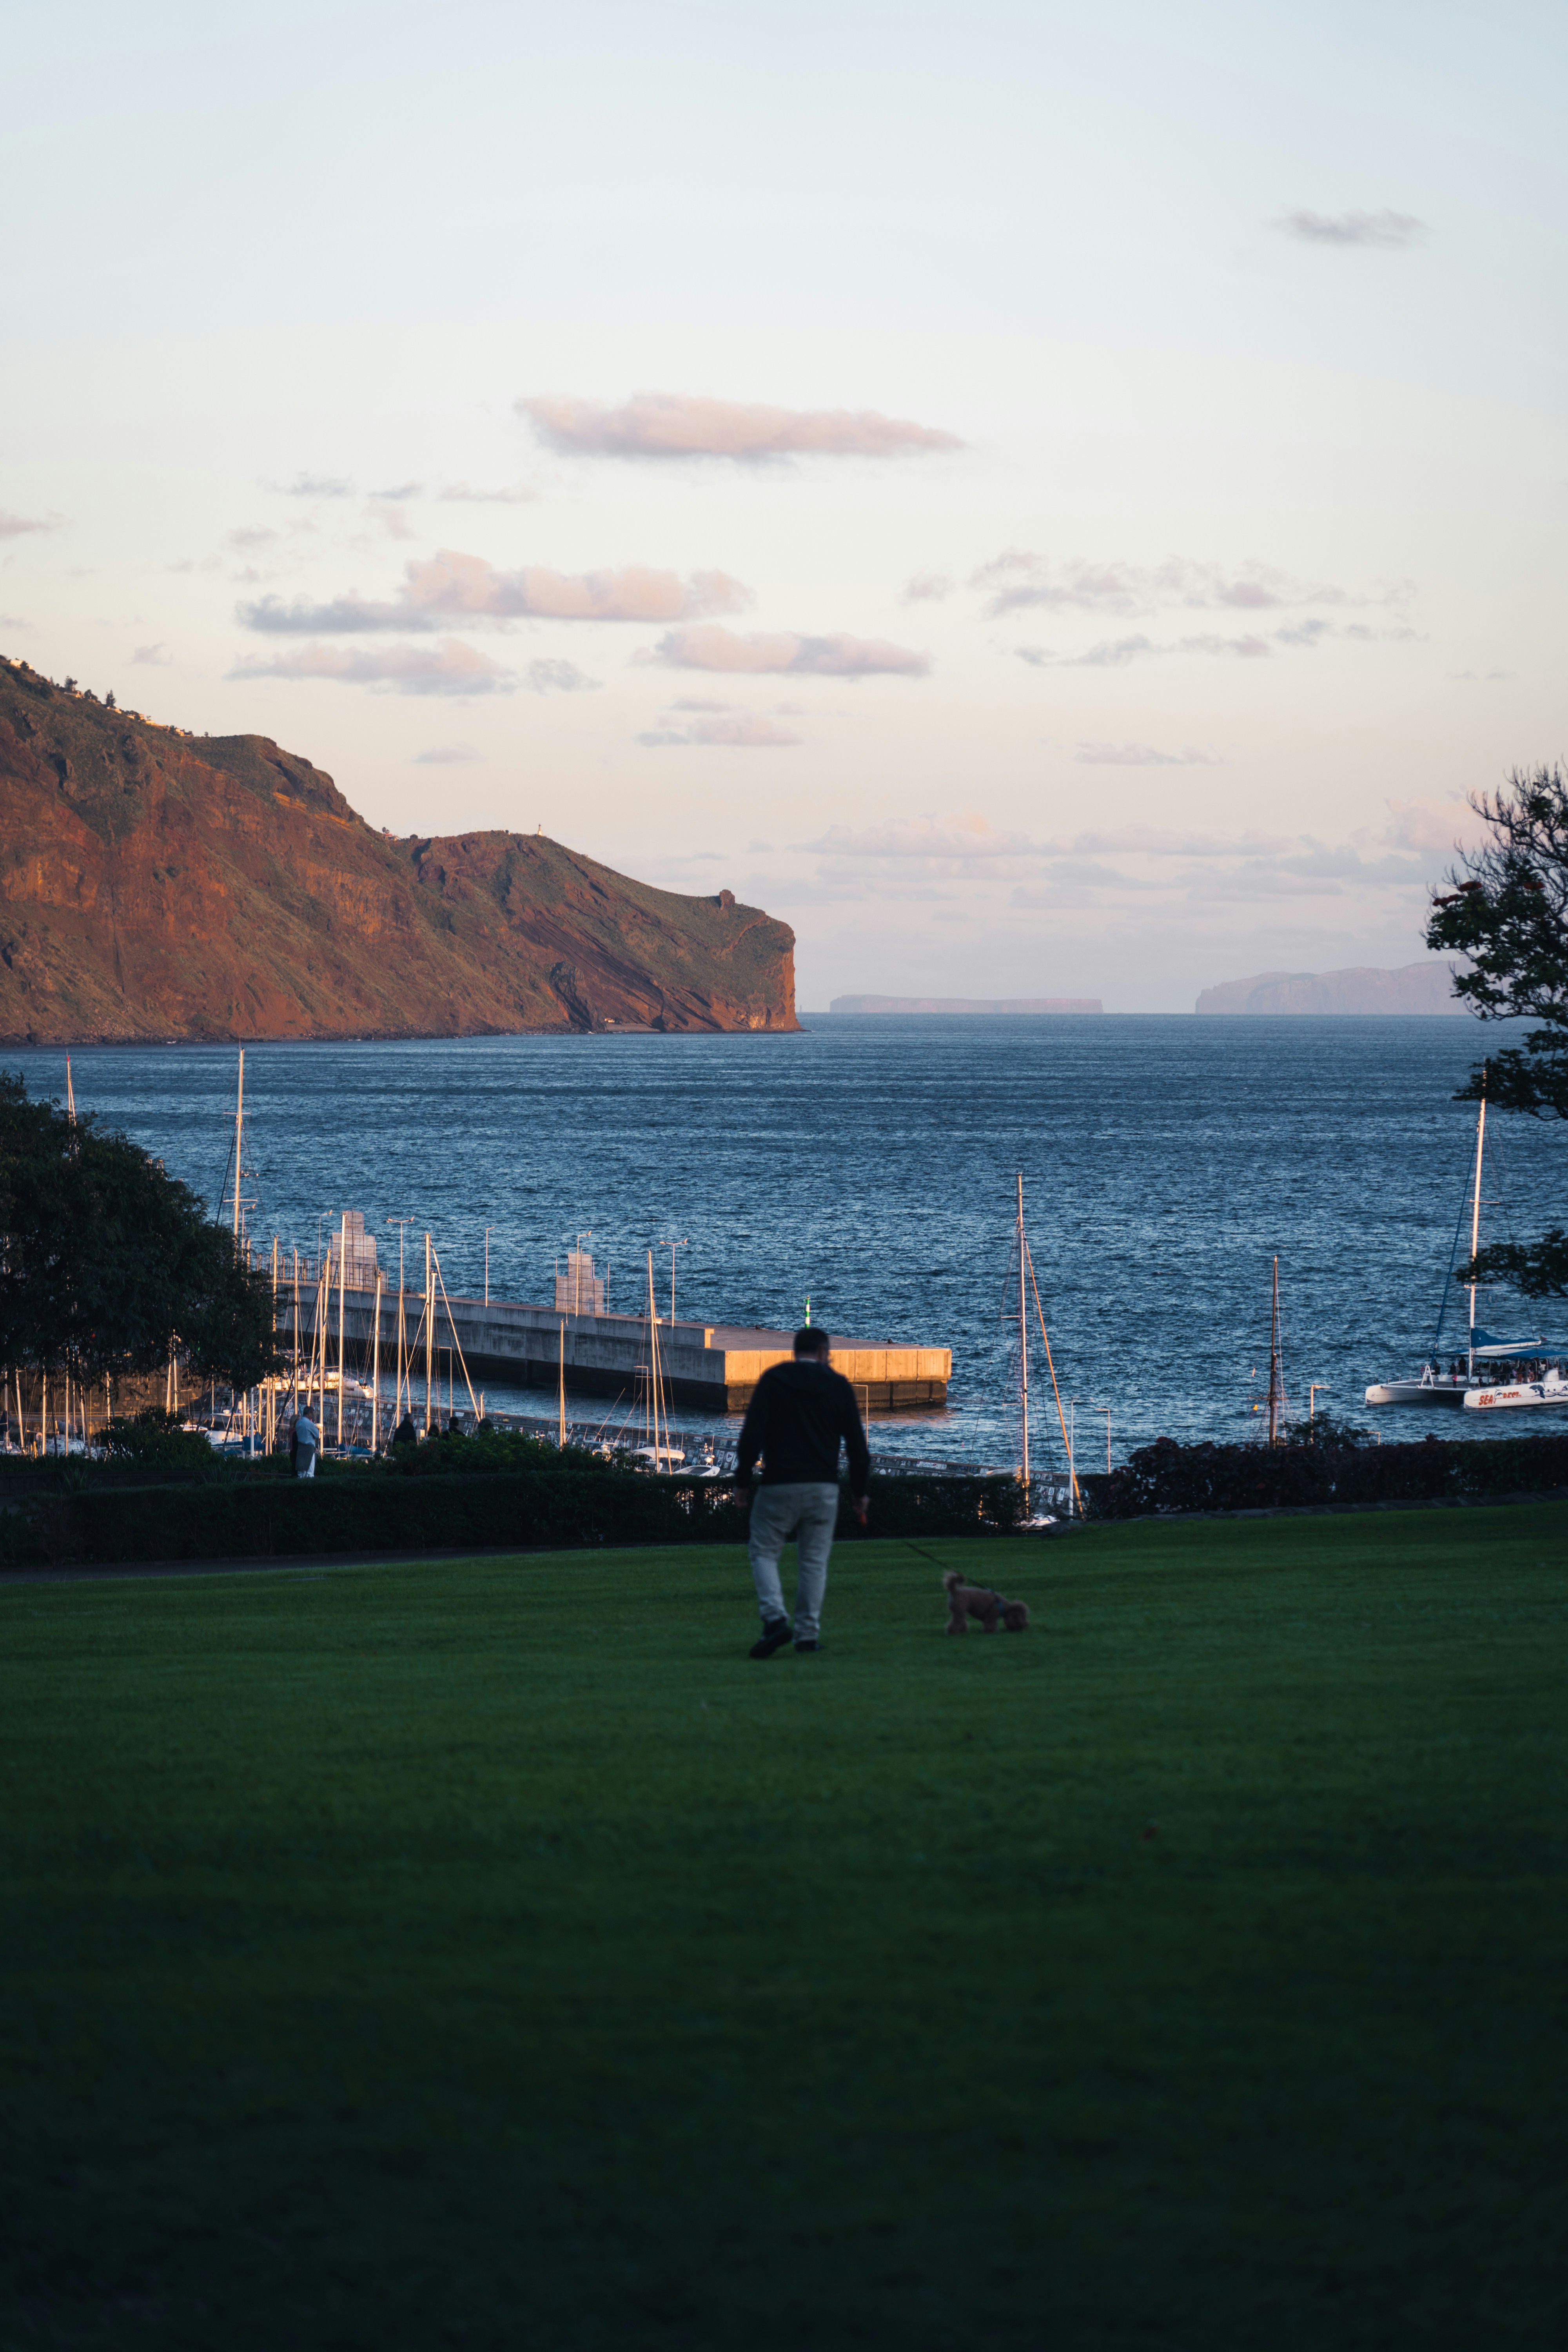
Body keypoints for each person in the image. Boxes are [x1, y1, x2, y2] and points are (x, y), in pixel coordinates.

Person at [734, 1327, 870, 1657]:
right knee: (813, 1563)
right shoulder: (839, 1386)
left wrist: (742, 1481)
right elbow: (857, 1447)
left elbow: (751, 1436)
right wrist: (860, 1493)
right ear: (824, 1352)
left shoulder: (774, 1380)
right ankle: (807, 1636)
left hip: (778, 1483)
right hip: (822, 1486)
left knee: (764, 1552)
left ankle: (775, 1618)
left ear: (796, 1351)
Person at [294, 1404, 321, 1479]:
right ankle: (308, 1487)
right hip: (309, 1448)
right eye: (312, 1414)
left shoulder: (298, 1423)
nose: (312, 1416)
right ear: (309, 1413)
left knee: (301, 1471)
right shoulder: (309, 1424)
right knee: (310, 1471)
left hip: (300, 1448)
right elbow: (317, 1435)